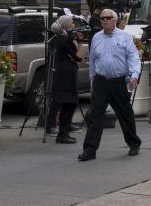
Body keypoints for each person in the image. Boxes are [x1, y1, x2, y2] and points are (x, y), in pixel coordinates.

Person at [78, 9, 142, 161]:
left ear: (114, 20)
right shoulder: (96, 38)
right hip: (101, 81)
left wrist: (134, 76)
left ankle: (133, 143)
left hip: (118, 81)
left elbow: (133, 57)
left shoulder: (125, 37)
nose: (105, 21)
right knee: (95, 115)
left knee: (125, 114)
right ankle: (90, 149)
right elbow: (93, 61)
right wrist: (93, 82)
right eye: (102, 18)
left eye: (108, 18)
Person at [45, 15, 83, 144]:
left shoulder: (62, 38)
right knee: (69, 104)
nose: (73, 25)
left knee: (67, 104)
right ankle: (62, 133)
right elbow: (78, 56)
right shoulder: (64, 39)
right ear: (66, 25)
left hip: (63, 75)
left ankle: (64, 132)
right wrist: (81, 43)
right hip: (66, 76)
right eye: (71, 23)